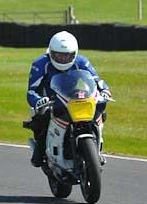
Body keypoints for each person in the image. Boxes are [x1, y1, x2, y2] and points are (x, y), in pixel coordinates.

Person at [25, 31, 111, 167]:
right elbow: (31, 91)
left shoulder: (81, 61)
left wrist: (104, 90)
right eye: (59, 55)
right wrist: (38, 101)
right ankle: (39, 154)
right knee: (42, 118)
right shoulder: (41, 63)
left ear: (74, 54)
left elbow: (96, 80)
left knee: (99, 111)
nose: (63, 59)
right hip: (52, 101)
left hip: (75, 98)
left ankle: (96, 150)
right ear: (51, 53)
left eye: (67, 56)